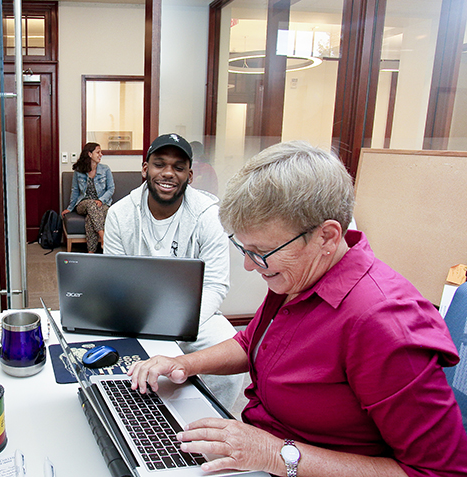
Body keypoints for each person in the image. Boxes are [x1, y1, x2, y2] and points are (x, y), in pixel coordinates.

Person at [128, 141, 467, 476]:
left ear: (326, 237)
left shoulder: (385, 323)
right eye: (244, 249)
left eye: (261, 252)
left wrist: (275, 454)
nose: (249, 266)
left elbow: (440, 472)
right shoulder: (299, 277)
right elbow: (253, 344)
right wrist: (181, 364)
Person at [104, 133, 244, 410]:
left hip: (193, 315)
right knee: (103, 357)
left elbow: (215, 285)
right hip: (135, 312)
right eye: (160, 164)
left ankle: (207, 420)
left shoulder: (208, 215)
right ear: (145, 170)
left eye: (179, 167)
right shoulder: (120, 214)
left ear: (189, 176)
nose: (168, 173)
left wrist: (175, 326)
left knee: (227, 353)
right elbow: (113, 279)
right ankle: (137, 415)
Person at [62, 142, 115, 253]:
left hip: (102, 204)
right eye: (98, 152)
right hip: (83, 204)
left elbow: (111, 189)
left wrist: (101, 200)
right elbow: (75, 190)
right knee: (92, 205)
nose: (101, 154)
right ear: (90, 154)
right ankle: (103, 236)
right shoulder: (79, 171)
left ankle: (91, 252)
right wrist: (70, 208)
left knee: (90, 218)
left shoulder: (105, 169)